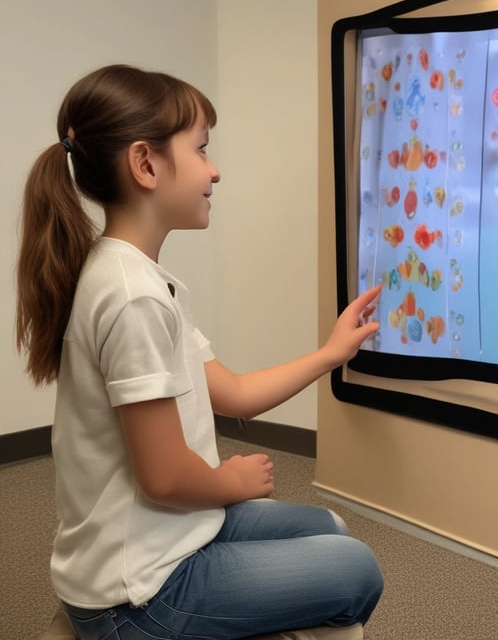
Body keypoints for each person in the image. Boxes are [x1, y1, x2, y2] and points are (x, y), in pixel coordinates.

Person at [16, 64, 384, 640]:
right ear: (146, 164)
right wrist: (232, 481)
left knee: (330, 526)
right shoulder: (132, 295)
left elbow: (234, 394)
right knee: (356, 568)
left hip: (168, 536)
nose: (215, 171)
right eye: (203, 149)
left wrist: (330, 353)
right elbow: (164, 477)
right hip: (140, 594)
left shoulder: (140, 278)